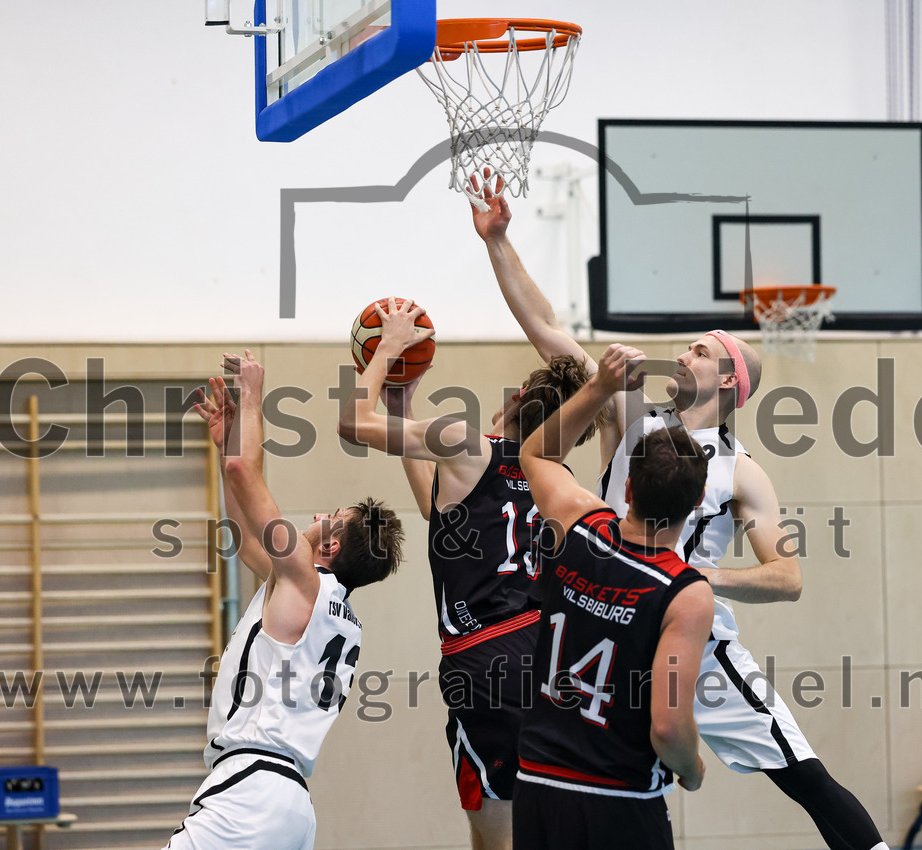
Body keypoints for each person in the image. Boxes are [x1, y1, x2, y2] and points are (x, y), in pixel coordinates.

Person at [471, 177, 889, 850]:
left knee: (803, 773)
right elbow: (548, 328)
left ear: (729, 381)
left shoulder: (742, 470)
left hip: (693, 637)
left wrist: (694, 582)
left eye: (701, 347)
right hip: (604, 619)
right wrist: (499, 242)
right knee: (573, 776)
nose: (684, 350)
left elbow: (788, 576)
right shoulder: (630, 411)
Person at [338, 299, 599, 850]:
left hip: (483, 659)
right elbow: (440, 518)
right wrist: (403, 403)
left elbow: (352, 423)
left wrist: (387, 348)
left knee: (493, 834)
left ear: (515, 401)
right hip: (551, 661)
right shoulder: (566, 488)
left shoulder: (465, 444)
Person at [167, 351, 404, 850]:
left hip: (250, 792)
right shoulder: (321, 602)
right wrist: (227, 440)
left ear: (331, 547)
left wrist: (252, 395)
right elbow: (246, 539)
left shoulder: (303, 580)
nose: (317, 514)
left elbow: (242, 471)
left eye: (329, 515)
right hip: (289, 801)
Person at [513, 343, 714, 850]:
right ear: (695, 505)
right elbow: (668, 727)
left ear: (628, 487)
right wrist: (693, 770)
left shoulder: (576, 522)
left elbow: (535, 452)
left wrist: (601, 384)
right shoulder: (683, 590)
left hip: (537, 782)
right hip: (618, 796)